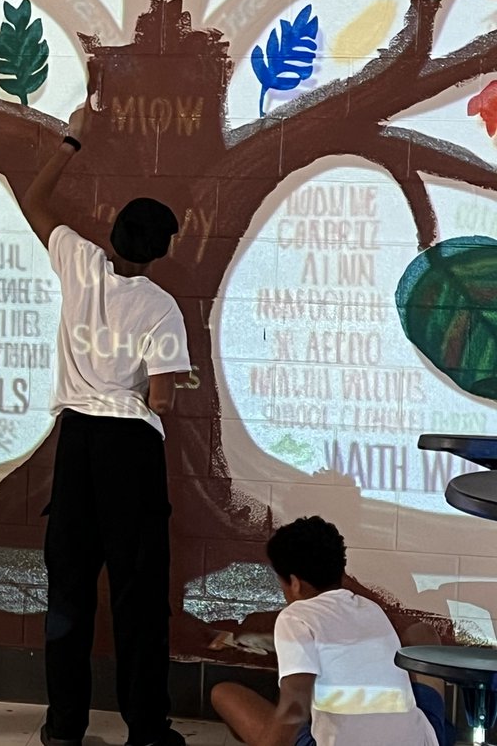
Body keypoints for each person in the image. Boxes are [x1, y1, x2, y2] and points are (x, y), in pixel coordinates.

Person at [23, 99, 193, 746]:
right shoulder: (161, 307)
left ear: (113, 232)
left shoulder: (76, 260)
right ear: (159, 253)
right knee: (137, 595)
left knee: (68, 588)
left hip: (76, 445)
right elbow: (163, 400)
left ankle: (63, 726)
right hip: (130, 449)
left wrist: (71, 140)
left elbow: (35, 200)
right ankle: (145, 729)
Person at [210, 516, 452, 746]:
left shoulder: (295, 617)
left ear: (294, 583)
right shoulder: (370, 608)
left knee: (224, 694)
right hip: (423, 740)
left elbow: (294, 710)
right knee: (422, 634)